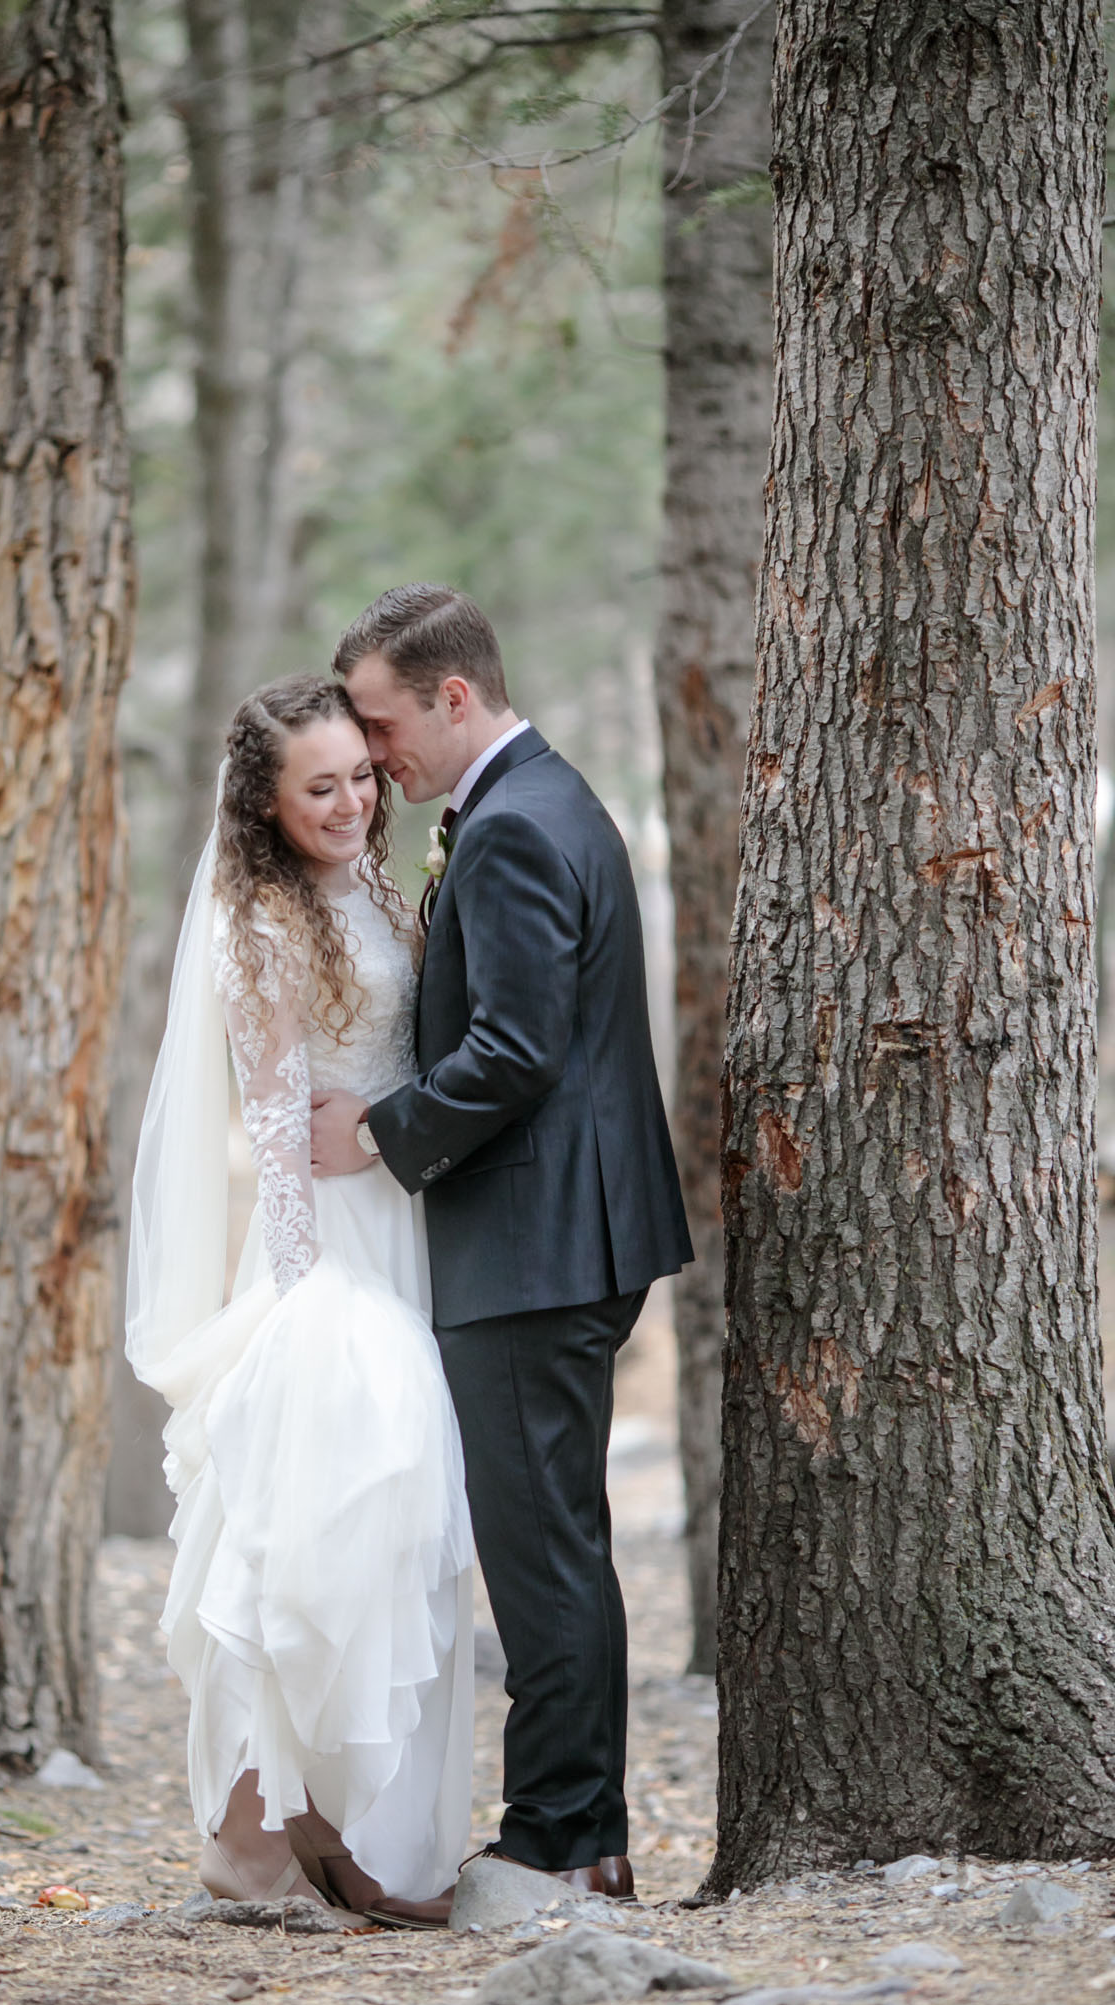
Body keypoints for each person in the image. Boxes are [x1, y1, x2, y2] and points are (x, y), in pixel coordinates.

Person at [312, 586, 692, 1898]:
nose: (370, 756)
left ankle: (562, 1842)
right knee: (553, 1540)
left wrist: (375, 1131)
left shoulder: (518, 827)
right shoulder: (535, 801)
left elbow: (517, 1052)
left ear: (452, 696)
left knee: (542, 1552)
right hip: (559, 1228)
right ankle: (579, 1834)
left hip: (537, 1242)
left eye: (379, 722)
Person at [126, 673, 473, 1928]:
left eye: (360, 778)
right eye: (317, 787)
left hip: (405, 1225)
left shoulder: (375, 889)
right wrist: (294, 1295)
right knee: (318, 1523)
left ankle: (348, 1819)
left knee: (390, 1527)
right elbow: (272, 1124)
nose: (348, 802)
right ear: (266, 804)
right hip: (320, 1250)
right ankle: (261, 1834)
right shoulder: (261, 923)